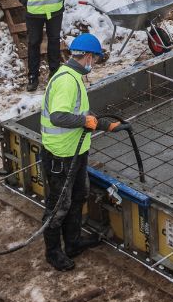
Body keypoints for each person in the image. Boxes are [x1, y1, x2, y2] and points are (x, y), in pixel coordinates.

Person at [40, 33, 124, 271]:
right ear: (87, 56)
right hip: (60, 156)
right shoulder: (67, 80)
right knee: (59, 206)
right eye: (94, 59)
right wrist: (86, 122)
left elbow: (78, 112)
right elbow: (58, 117)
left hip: (74, 153)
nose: (93, 64)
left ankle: (73, 242)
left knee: (78, 196)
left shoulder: (74, 76)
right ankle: (53, 252)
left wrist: (101, 123)